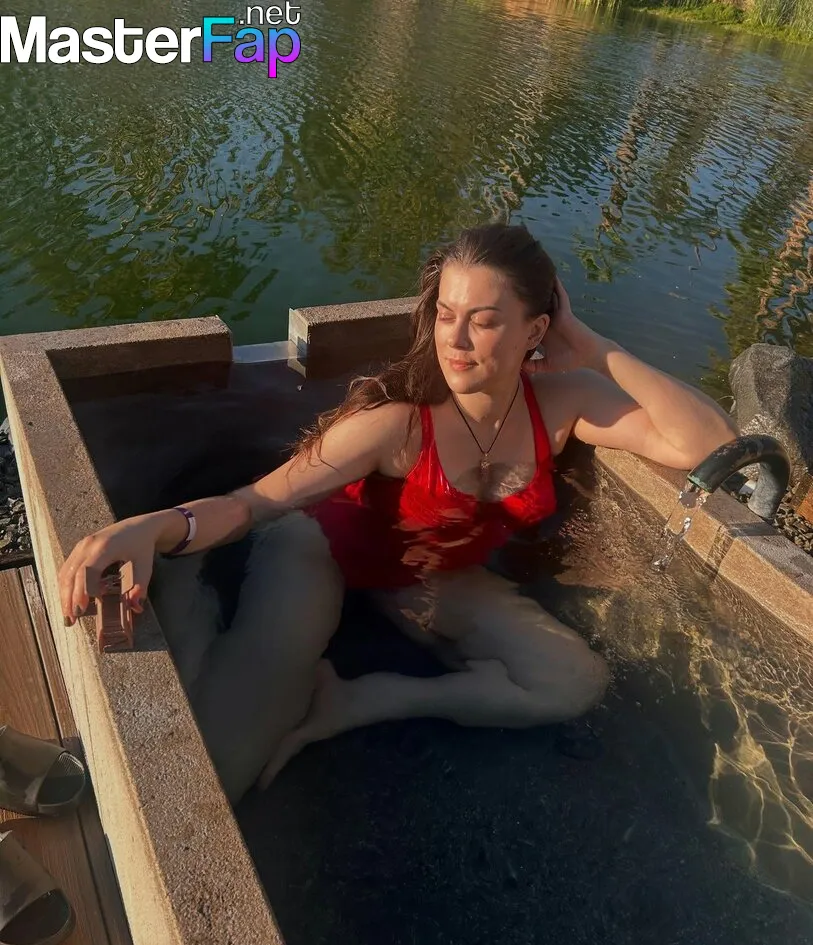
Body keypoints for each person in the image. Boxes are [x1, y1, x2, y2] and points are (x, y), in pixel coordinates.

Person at [58, 224, 738, 802]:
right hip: (321, 551)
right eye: (445, 313)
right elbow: (254, 502)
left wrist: (590, 345)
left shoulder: (563, 402)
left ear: (536, 328)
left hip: (431, 573)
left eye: (484, 320)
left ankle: (365, 699)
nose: (456, 339)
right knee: (227, 768)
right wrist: (155, 525)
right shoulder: (397, 421)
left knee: (573, 682)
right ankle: (193, 609)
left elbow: (708, 444)